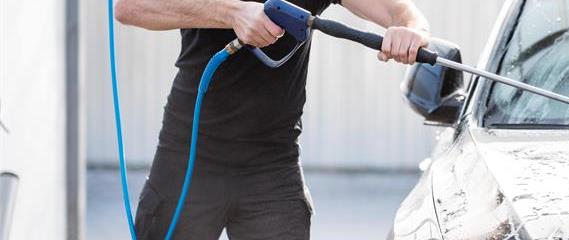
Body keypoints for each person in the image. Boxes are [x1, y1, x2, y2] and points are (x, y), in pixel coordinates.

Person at [113, 0, 430, 238]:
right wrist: (232, 13)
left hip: (272, 166)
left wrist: (411, 32)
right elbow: (129, 7)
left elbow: (404, 15)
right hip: (189, 156)